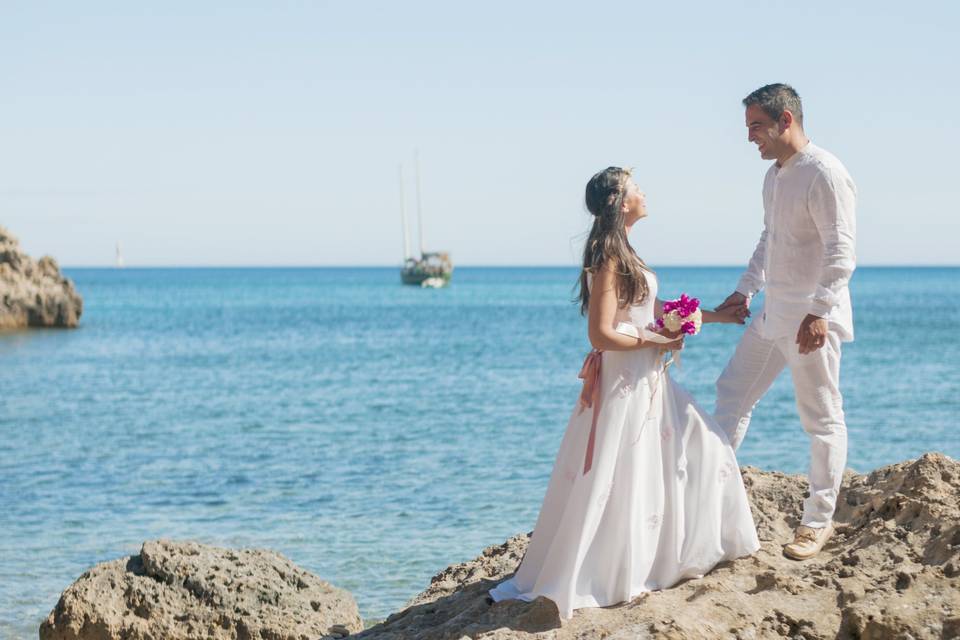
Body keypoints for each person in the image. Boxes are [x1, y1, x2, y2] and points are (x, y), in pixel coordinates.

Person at [487, 167, 761, 620]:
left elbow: (652, 312)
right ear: (620, 200)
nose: (644, 191)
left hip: (649, 379)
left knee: (701, 449)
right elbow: (601, 334)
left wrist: (715, 317)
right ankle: (613, 571)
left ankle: (662, 555)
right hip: (624, 383)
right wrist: (658, 341)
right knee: (624, 474)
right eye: (636, 187)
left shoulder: (624, 251)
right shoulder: (607, 258)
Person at [714, 83, 856, 560]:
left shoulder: (825, 173)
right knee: (731, 391)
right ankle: (710, 499)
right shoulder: (775, 176)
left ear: (785, 121)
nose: (751, 136)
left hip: (810, 321)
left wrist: (819, 311)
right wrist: (744, 289)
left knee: (821, 418)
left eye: (756, 126)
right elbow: (769, 239)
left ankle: (817, 523)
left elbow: (842, 251)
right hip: (773, 313)